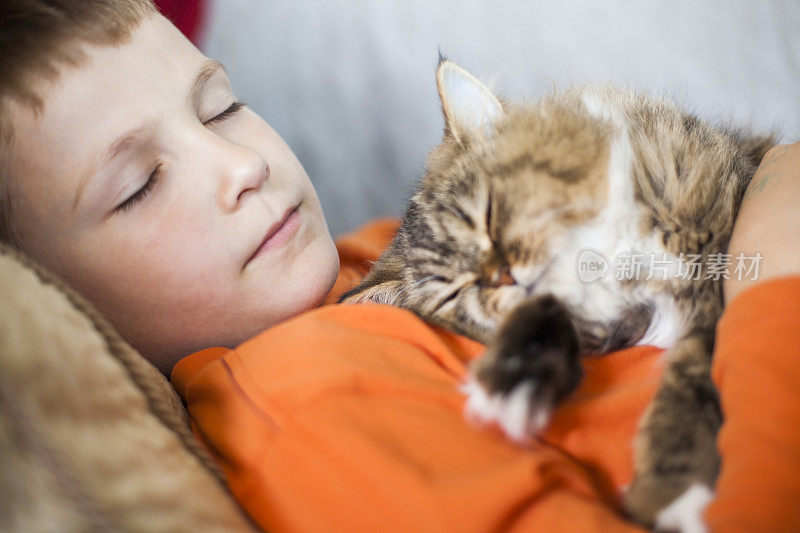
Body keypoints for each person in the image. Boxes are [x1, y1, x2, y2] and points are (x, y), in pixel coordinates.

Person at [1, 1, 798, 531]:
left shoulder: (362, 261)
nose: (234, 163)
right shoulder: (300, 404)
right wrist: (779, 279)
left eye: (220, 107)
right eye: (138, 185)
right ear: (58, 302)